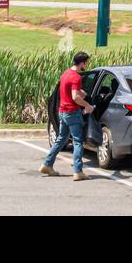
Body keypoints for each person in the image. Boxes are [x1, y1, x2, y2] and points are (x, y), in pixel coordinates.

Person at [39, 51, 94, 181]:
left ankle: (47, 164)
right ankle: (78, 172)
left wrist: (83, 93)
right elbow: (75, 97)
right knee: (78, 141)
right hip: (72, 113)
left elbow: (72, 90)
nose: (87, 64)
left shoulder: (66, 74)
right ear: (82, 63)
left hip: (62, 112)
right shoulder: (76, 77)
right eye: (87, 62)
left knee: (61, 139)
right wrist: (87, 105)